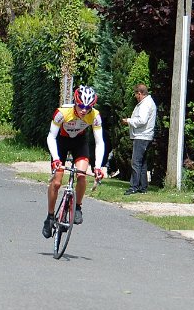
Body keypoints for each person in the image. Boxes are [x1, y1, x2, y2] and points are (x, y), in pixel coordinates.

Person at [43, 85, 106, 239]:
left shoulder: (95, 116)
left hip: (79, 142)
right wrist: (56, 159)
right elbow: (51, 136)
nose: (84, 110)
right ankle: (50, 217)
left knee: (82, 175)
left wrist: (98, 167)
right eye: (81, 106)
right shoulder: (62, 112)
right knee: (56, 182)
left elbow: (99, 142)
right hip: (61, 142)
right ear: (75, 102)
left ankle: (77, 207)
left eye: (88, 107)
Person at [121, 83, 157, 195]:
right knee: (142, 162)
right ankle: (143, 187)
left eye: (136, 94)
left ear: (140, 93)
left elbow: (142, 120)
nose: (136, 97)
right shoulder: (148, 102)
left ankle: (134, 187)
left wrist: (128, 121)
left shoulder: (145, 104)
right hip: (146, 136)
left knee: (136, 162)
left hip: (142, 136)